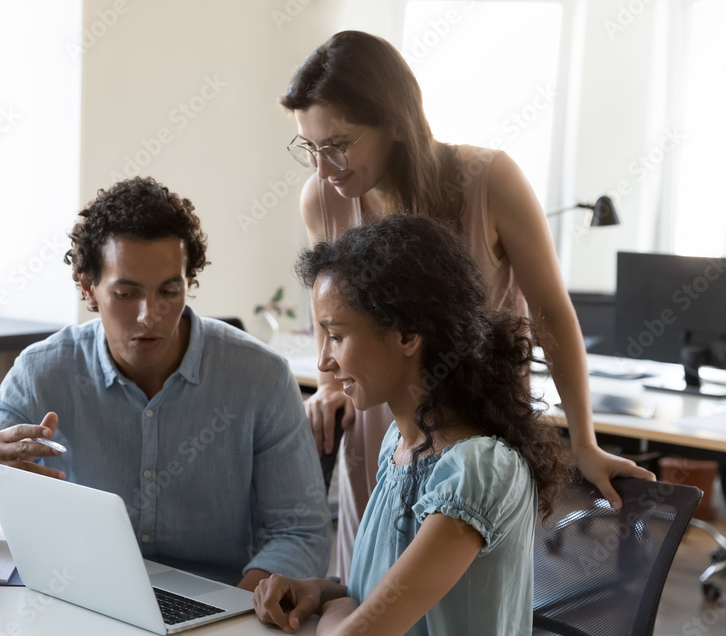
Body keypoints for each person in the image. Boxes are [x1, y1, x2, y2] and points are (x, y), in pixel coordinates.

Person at [280, 30, 654, 581]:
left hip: (478, 430)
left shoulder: (488, 181)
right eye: (308, 149)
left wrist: (585, 441)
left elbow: (553, 315)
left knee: (469, 602)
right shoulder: (324, 199)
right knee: (370, 590)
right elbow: (328, 312)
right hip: (380, 427)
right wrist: (333, 386)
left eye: (337, 144)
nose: (323, 168)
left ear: (394, 122)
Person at [0, 177, 332, 590]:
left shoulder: (259, 377)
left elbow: (300, 533)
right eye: (126, 293)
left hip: (219, 607)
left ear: (189, 282)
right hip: (81, 601)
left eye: (169, 291)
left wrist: (236, 614)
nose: (149, 315)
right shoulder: (44, 371)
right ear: (89, 290)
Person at [253, 215, 574, 636]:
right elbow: (392, 601)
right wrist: (320, 590)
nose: (324, 362)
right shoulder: (400, 445)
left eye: (337, 336)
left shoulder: (477, 470)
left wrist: (341, 609)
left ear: (407, 334)